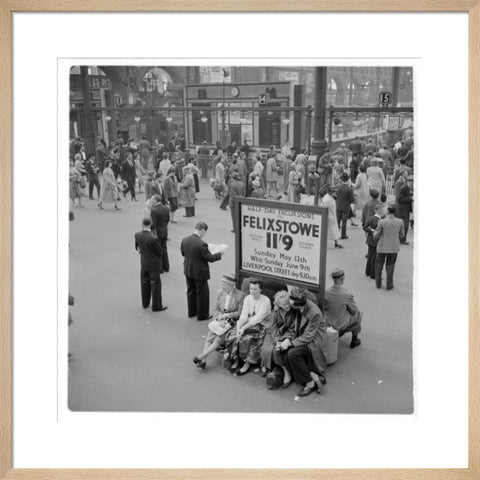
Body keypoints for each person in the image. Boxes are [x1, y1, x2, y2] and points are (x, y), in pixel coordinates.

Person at [271, 287, 327, 396]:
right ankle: (313, 376)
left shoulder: (314, 313)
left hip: (313, 340)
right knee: (285, 352)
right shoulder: (298, 305)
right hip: (300, 336)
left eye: (290, 303)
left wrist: (290, 343)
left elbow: (307, 337)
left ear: (297, 305)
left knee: (292, 353)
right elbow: (292, 327)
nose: (289, 305)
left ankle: (310, 383)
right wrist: (286, 340)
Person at [192, 274, 245, 369]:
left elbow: (239, 313)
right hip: (220, 319)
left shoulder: (240, 295)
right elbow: (215, 309)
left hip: (232, 322)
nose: (221, 286)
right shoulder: (220, 292)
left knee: (218, 339)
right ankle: (203, 360)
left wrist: (226, 316)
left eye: (224, 284)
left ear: (231, 284)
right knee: (209, 337)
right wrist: (219, 318)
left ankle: (200, 357)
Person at [225, 278, 271, 376]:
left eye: (255, 289)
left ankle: (246, 364)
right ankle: (236, 360)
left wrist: (243, 328)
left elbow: (258, 318)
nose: (252, 291)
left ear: (260, 290)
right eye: (251, 288)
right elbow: (244, 314)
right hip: (247, 323)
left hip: (260, 325)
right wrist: (239, 327)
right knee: (234, 335)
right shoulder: (247, 298)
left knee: (248, 338)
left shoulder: (265, 301)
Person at [180, 222, 224, 321]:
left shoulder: (185, 240)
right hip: (199, 272)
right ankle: (202, 315)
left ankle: (192, 312)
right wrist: (219, 253)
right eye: (205, 232)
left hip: (188, 269)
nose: (204, 234)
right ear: (202, 230)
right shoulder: (202, 244)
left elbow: (183, 253)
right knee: (202, 293)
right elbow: (210, 258)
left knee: (191, 291)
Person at [134, 217, 168, 312]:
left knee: (144, 282)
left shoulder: (137, 235)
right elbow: (159, 252)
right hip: (153, 264)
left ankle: (145, 303)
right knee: (155, 284)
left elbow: (137, 247)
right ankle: (156, 305)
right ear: (150, 224)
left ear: (142, 224)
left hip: (144, 262)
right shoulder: (153, 238)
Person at [260, 290, 294, 383]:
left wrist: (284, 339)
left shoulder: (294, 312)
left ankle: (285, 371)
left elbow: (292, 329)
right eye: (284, 305)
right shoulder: (276, 312)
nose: (287, 306)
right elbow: (273, 327)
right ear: (279, 305)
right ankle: (266, 366)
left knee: (277, 350)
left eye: (288, 303)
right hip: (273, 334)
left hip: (287, 335)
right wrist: (277, 340)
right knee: (266, 349)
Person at [324, 268, 362, 348]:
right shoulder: (346, 295)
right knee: (358, 314)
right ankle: (354, 340)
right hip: (339, 324)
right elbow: (354, 311)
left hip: (327, 321)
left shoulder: (326, 292)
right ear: (342, 279)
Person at [374, 204, 405, 290]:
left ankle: (378, 284)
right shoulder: (400, 221)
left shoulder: (382, 222)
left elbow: (376, 235)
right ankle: (389, 285)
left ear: (387, 211)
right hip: (393, 246)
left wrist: (374, 234)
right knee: (390, 266)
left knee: (379, 266)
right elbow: (402, 235)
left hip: (382, 246)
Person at [149, 195, 170, 272]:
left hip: (157, 232)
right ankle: (166, 266)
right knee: (164, 248)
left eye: (152, 199)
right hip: (164, 230)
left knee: (158, 250)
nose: (151, 200)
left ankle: (160, 268)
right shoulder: (166, 208)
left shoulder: (154, 210)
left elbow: (153, 224)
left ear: (155, 200)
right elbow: (168, 220)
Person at [363, 203, 384, 279]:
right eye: (382, 210)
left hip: (369, 240)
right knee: (374, 257)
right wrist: (373, 231)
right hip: (375, 240)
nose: (383, 212)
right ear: (377, 210)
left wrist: (371, 230)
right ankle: (373, 274)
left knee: (370, 256)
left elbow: (365, 227)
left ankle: (367, 271)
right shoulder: (380, 220)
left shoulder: (371, 218)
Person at [335, 173, 355, 240]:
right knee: (344, 222)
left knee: (337, 220)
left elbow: (334, 196)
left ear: (341, 179)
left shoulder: (337, 187)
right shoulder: (349, 189)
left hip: (338, 205)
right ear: (348, 180)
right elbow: (352, 200)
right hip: (346, 206)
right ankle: (343, 235)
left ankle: (336, 234)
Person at [397, 175, 414, 244]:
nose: (412, 183)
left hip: (406, 209)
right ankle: (402, 239)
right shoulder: (404, 188)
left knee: (405, 225)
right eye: (411, 182)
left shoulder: (408, 188)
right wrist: (410, 198)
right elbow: (400, 199)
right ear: (408, 182)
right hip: (403, 209)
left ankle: (402, 239)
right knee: (404, 225)